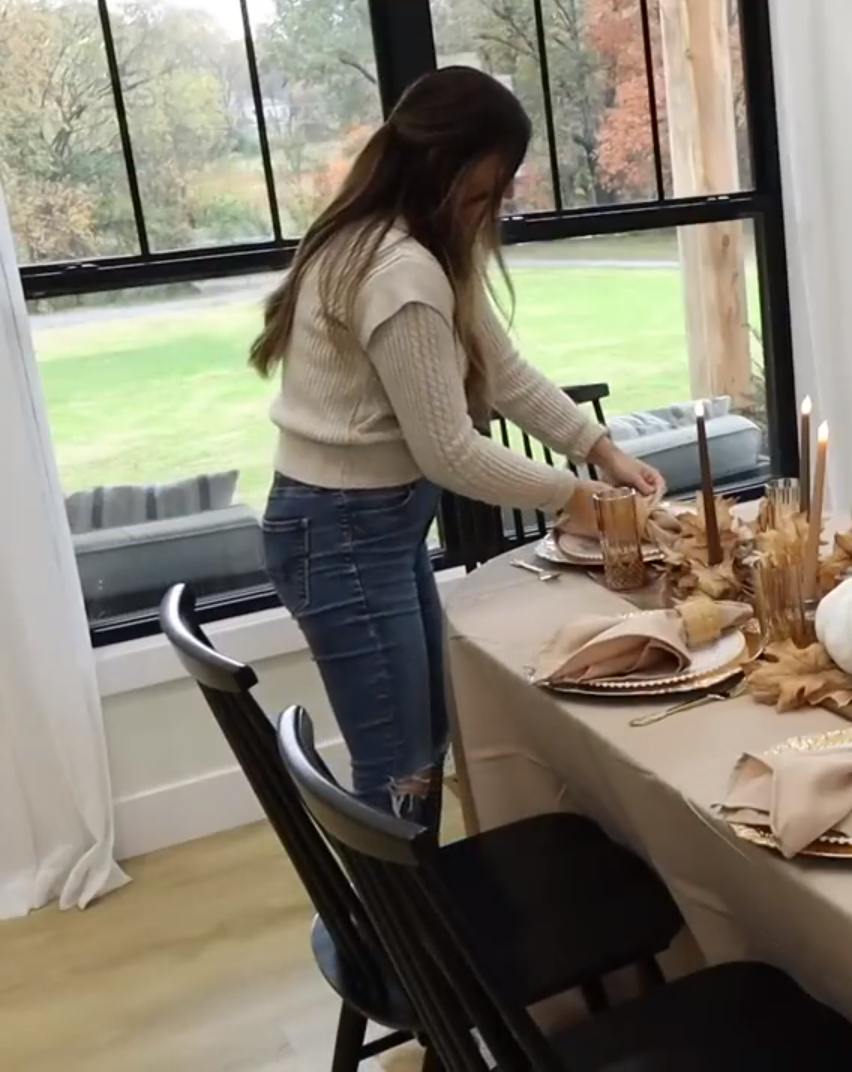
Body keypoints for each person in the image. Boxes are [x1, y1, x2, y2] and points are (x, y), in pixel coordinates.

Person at [248, 67, 661, 822]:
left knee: (422, 737)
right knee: (400, 766)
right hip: (340, 531)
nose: (500, 200)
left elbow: (500, 372)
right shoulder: (399, 271)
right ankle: (382, 941)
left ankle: (389, 935)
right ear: (447, 163)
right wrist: (576, 498)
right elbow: (450, 451)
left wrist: (600, 449)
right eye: (493, 181)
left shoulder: (415, 243)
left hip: (362, 525)